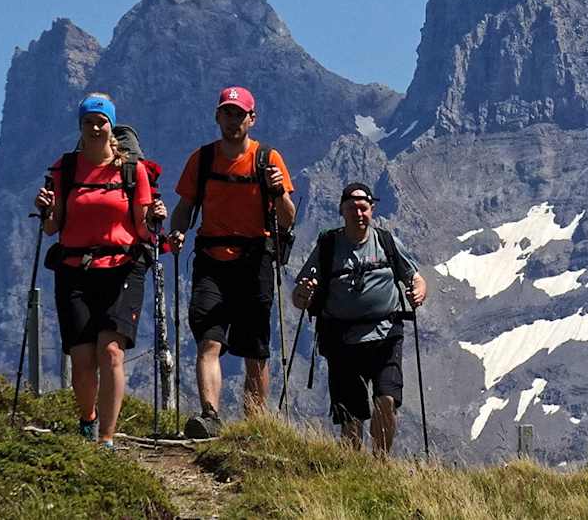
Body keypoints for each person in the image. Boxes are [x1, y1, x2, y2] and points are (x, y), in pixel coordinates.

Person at [32, 93, 163, 449]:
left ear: (111, 127)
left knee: (111, 352)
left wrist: (154, 220)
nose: (95, 127)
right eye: (88, 121)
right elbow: (51, 227)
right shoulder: (65, 169)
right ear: (80, 126)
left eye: (101, 121)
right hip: (74, 269)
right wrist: (46, 209)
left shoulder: (132, 171)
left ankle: (106, 438)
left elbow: (142, 229)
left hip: (122, 268)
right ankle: (87, 420)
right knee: (82, 357)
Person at [167, 85, 295, 437]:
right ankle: (210, 416)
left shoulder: (268, 159)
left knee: (255, 349)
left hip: (255, 262)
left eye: (239, 114)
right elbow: (184, 210)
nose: (233, 119)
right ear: (217, 116)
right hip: (211, 262)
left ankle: (254, 425)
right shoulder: (202, 159)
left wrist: (278, 190)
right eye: (227, 112)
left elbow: (287, 218)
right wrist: (176, 233)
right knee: (209, 340)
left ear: (251, 119)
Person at [291, 182, 428, 455]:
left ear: (372, 210)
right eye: (352, 208)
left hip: (386, 335)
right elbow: (298, 297)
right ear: (342, 211)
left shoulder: (387, 242)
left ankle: (380, 464)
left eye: (363, 208)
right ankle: (353, 471)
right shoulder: (328, 246)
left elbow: (415, 277)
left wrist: (419, 292)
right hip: (341, 341)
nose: (358, 214)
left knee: (386, 400)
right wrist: (304, 292)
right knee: (350, 416)